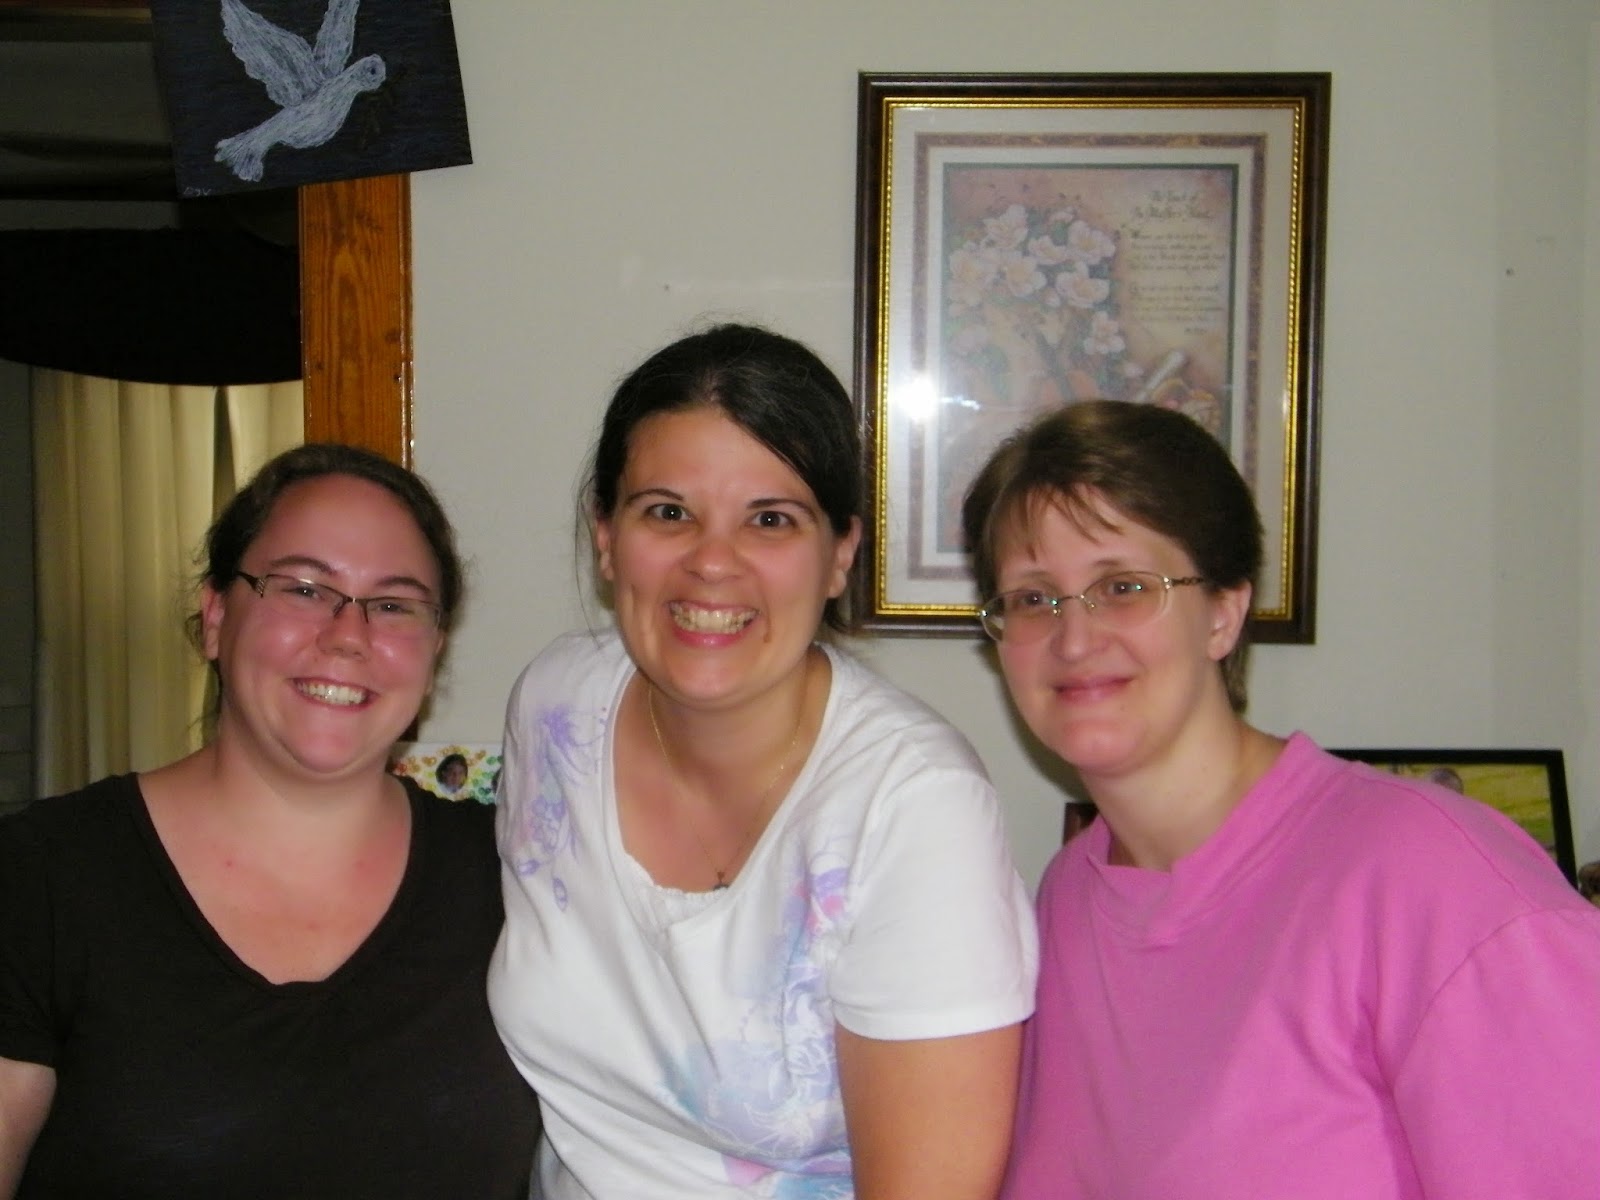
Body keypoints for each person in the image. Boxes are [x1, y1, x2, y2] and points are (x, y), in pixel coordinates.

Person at [960, 399, 1600, 1199]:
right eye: (1033, 598)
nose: (1075, 637)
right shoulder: (1069, 897)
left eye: (1122, 586)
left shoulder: (1433, 880)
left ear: (1224, 613)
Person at [490, 323, 1037, 1199]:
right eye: (668, 512)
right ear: (606, 536)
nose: (712, 562)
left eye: (771, 519)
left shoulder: (913, 809)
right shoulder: (555, 712)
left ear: (840, 554)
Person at [0, 444, 539, 1198]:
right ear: (216, 616)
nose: (347, 635)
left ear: (434, 650)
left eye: (393, 604)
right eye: (304, 589)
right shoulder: (40, 879)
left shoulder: (514, 878)